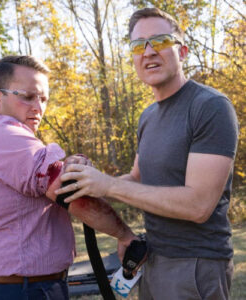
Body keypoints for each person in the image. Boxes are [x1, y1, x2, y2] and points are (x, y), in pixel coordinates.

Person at [55, 7, 239, 300]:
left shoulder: (210, 107)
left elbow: (199, 205)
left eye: (161, 41)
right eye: (139, 45)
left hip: (195, 265)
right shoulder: (148, 116)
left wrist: (109, 184)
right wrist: (88, 182)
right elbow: (138, 180)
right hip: (152, 259)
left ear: (182, 51)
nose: (149, 52)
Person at [0, 55, 137, 300]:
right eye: (28, 97)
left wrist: (74, 163)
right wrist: (126, 235)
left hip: (8, 288)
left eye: (43, 99)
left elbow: (59, 178)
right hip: (20, 291)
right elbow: (73, 194)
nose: (39, 108)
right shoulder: (6, 135)